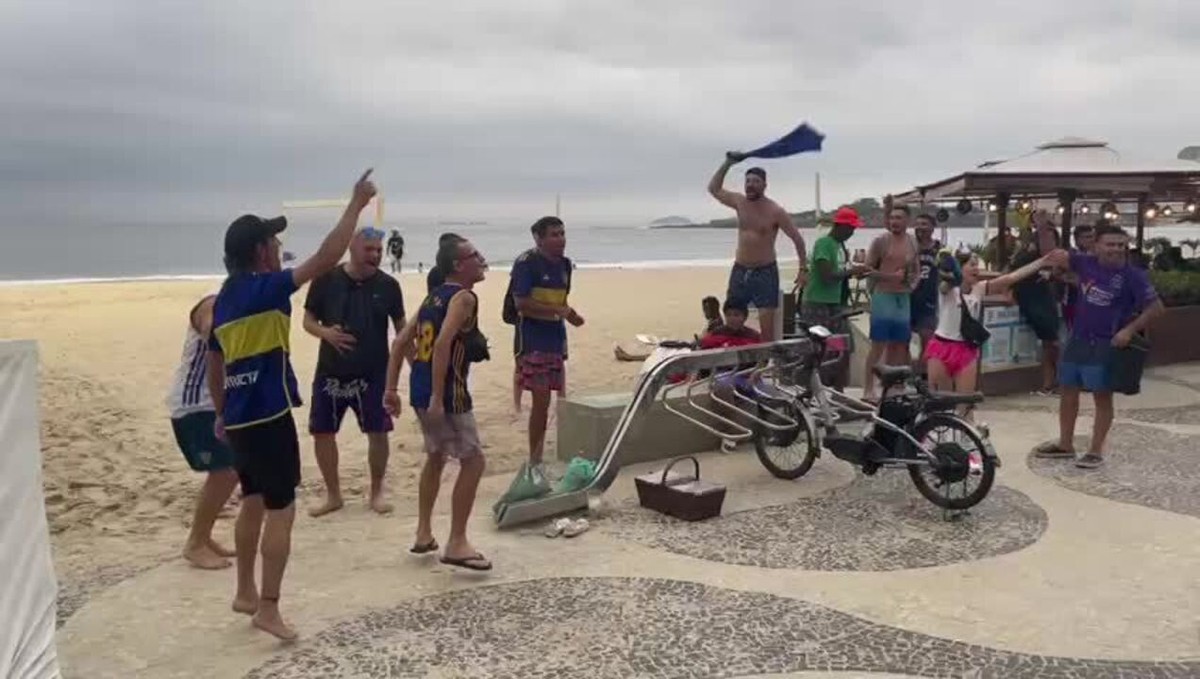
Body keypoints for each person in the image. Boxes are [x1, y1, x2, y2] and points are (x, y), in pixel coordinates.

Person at [205, 168, 377, 641]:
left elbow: (214, 363)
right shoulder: (266, 288)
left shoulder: (223, 299)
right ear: (261, 252)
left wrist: (221, 412)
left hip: (239, 419)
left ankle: (244, 590)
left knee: (253, 501)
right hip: (269, 415)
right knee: (281, 509)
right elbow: (326, 256)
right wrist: (356, 204)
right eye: (274, 242)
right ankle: (268, 607)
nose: (280, 248)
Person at [383, 237, 491, 571]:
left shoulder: (433, 296)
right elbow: (443, 344)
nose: (482, 258)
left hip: (420, 389)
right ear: (459, 265)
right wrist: (436, 394)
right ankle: (457, 542)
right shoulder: (463, 297)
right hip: (447, 394)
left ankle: (423, 532)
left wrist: (392, 388)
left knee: (436, 456)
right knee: (473, 461)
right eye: (474, 255)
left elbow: (401, 340)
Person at [1034, 222, 1164, 469]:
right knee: (1068, 390)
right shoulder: (1085, 262)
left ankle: (1095, 450)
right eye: (1110, 244)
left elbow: (1156, 307)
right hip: (1078, 338)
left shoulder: (1132, 276)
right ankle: (1065, 444)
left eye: (1121, 245)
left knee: (1101, 397)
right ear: (1096, 245)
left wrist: (1129, 330)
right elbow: (1052, 257)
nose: (1116, 249)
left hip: (1107, 343)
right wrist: (1043, 230)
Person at [302, 227, 405, 518]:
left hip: (374, 373)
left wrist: (411, 370)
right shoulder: (326, 279)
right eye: (369, 249)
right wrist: (326, 333)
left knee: (378, 432)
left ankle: (376, 491)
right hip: (331, 371)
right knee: (322, 432)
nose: (375, 255)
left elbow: (402, 331)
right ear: (352, 247)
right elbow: (307, 320)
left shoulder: (389, 286)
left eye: (378, 250)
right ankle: (333, 495)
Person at [926, 249, 1067, 425]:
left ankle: (968, 443)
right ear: (961, 268)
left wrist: (1041, 262)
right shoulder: (947, 289)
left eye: (977, 265)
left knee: (966, 403)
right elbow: (945, 282)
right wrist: (948, 270)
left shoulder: (979, 289)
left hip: (966, 349)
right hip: (942, 346)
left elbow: (1011, 278)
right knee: (939, 403)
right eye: (971, 265)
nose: (976, 269)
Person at [166, 292, 239, 570]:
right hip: (195, 405)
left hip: (215, 403)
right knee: (226, 472)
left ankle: (203, 537)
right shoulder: (213, 304)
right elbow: (211, 330)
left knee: (226, 471)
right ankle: (195, 543)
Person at [510, 216, 582, 481]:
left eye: (562, 233)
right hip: (532, 341)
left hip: (555, 339)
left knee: (556, 399)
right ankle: (535, 460)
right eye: (553, 234)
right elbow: (521, 303)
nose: (560, 239)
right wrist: (559, 310)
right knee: (540, 401)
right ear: (538, 239)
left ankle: (541, 454)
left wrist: (570, 315)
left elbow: (562, 300)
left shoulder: (565, 265)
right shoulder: (526, 263)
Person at [707, 153, 808, 342]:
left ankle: (766, 364)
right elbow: (713, 189)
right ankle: (733, 355)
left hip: (765, 271)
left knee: (766, 324)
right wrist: (728, 163)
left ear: (764, 185)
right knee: (732, 320)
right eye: (747, 181)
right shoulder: (740, 202)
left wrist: (803, 269)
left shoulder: (775, 211)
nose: (750, 185)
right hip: (740, 269)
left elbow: (797, 239)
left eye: (755, 181)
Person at [800, 206, 867, 389]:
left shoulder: (840, 246)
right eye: (851, 229)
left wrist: (853, 273)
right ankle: (812, 392)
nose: (852, 233)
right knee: (817, 352)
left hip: (836, 305)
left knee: (843, 349)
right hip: (818, 305)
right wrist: (851, 271)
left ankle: (839, 394)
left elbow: (840, 274)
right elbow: (827, 276)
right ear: (841, 226)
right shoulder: (825, 243)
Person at [861, 199, 919, 400]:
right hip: (883, 295)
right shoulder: (881, 241)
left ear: (907, 220)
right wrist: (889, 277)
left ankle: (893, 386)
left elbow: (916, 269)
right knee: (878, 344)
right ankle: (868, 388)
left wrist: (912, 285)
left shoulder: (912, 241)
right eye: (892, 217)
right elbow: (867, 270)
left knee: (900, 343)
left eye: (899, 218)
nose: (895, 221)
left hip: (902, 297)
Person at [1011, 211, 1063, 396]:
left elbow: (1049, 255)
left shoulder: (1048, 235)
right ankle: (1050, 383)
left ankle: (1053, 383)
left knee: (1051, 342)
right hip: (1025, 295)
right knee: (1048, 342)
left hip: (1040, 297)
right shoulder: (1026, 242)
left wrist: (1043, 227)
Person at [910, 214, 941, 367]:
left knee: (927, 342)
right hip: (907, 299)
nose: (920, 227)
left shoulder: (939, 249)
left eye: (924, 224)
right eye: (918, 224)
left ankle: (923, 378)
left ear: (932, 227)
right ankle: (902, 377)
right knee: (901, 343)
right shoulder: (909, 246)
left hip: (928, 301)